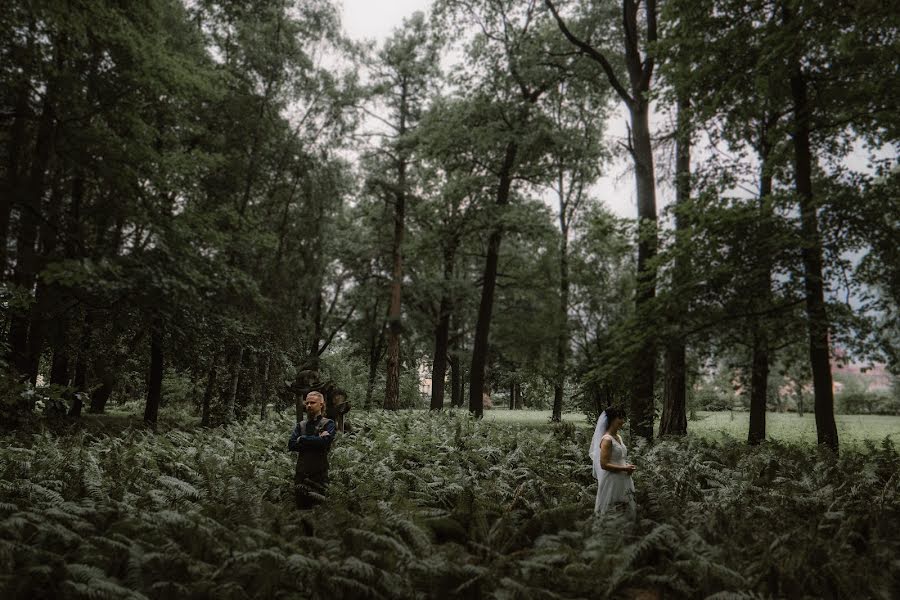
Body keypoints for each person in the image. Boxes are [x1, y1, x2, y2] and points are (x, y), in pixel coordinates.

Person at [288, 391, 336, 509]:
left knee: (319, 510)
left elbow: (325, 442)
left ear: (321, 404)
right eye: (307, 403)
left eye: (313, 403)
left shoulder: (328, 423)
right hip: (301, 474)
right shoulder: (301, 425)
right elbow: (291, 445)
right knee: (300, 510)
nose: (309, 405)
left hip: (319, 474)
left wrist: (302, 438)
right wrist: (316, 440)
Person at [589, 407, 637, 515]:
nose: (623, 421)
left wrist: (626, 466)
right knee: (612, 509)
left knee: (624, 507)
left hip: (624, 478)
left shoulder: (618, 437)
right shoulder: (607, 440)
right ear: (611, 420)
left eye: (623, 418)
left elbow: (618, 458)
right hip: (612, 479)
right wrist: (625, 468)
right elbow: (604, 464)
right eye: (620, 418)